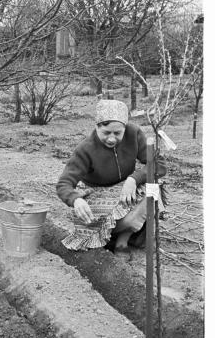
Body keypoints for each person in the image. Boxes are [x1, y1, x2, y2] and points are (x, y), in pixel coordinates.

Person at [56, 99, 166, 253]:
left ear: (125, 128)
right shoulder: (86, 149)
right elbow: (64, 183)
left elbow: (158, 164)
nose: (112, 138)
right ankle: (111, 236)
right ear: (96, 127)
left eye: (117, 133)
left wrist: (134, 179)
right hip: (99, 196)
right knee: (94, 220)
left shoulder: (133, 133)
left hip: (125, 190)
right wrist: (76, 200)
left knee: (154, 188)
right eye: (106, 133)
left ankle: (123, 241)